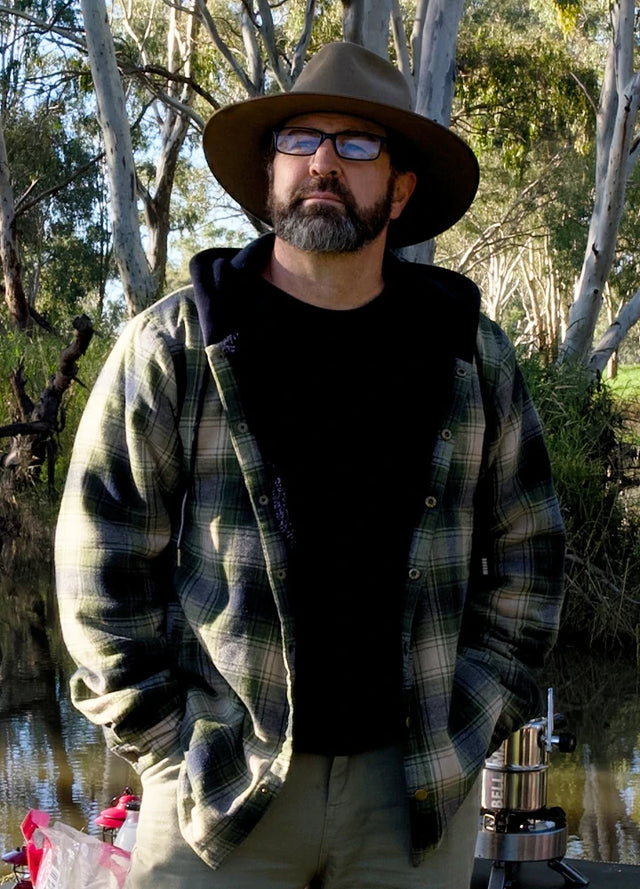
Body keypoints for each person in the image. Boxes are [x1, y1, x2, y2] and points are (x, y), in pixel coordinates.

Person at [55, 41, 566, 889]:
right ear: (269, 180)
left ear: (400, 189)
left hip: (413, 801)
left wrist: (471, 726)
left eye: (358, 143)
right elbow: (96, 568)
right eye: (300, 139)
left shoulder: (469, 357)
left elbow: (531, 559)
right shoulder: (175, 347)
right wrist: (167, 747)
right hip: (217, 792)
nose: (324, 160)